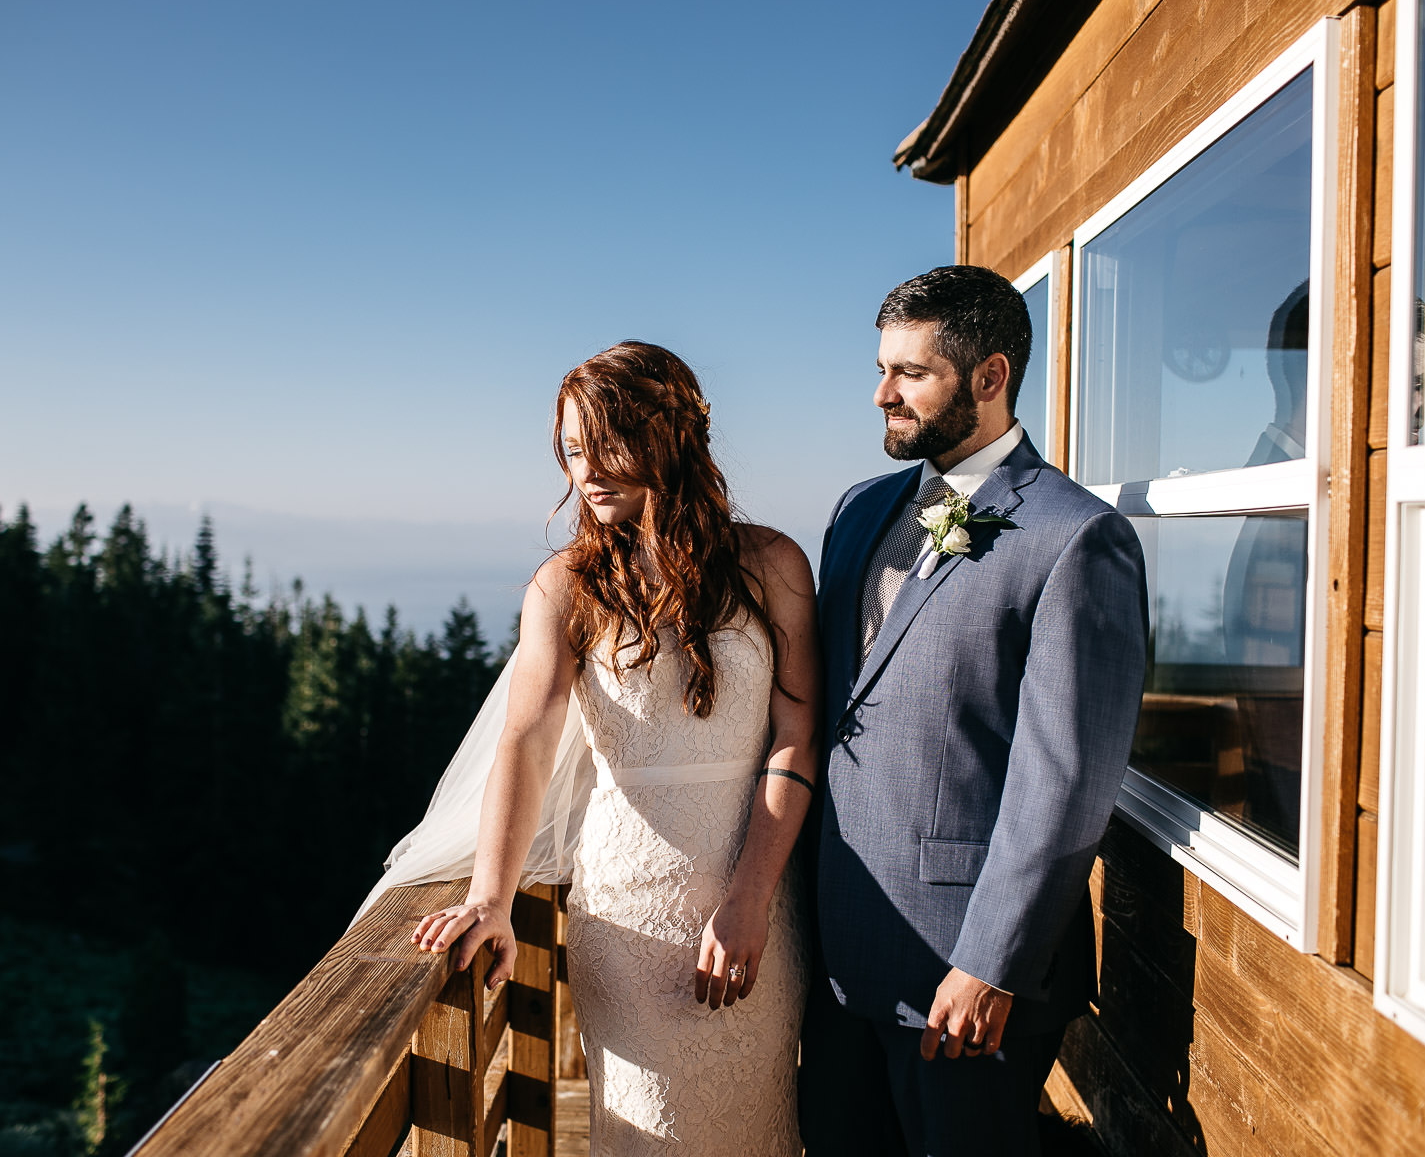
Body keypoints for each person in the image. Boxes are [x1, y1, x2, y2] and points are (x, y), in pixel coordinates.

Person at [406, 341, 821, 1155]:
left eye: (609, 444)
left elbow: (798, 737)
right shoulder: (565, 585)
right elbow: (524, 744)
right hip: (625, 917)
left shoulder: (772, 564)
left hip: (759, 898)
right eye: (571, 450)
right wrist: (491, 898)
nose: (587, 470)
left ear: (672, 436)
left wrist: (748, 898)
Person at [801, 266, 1148, 1157]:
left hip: (962, 977)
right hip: (836, 956)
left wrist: (993, 958)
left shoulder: (1076, 537)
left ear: (990, 376)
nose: (883, 393)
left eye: (911, 373)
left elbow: (1066, 781)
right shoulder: (861, 510)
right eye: (882, 368)